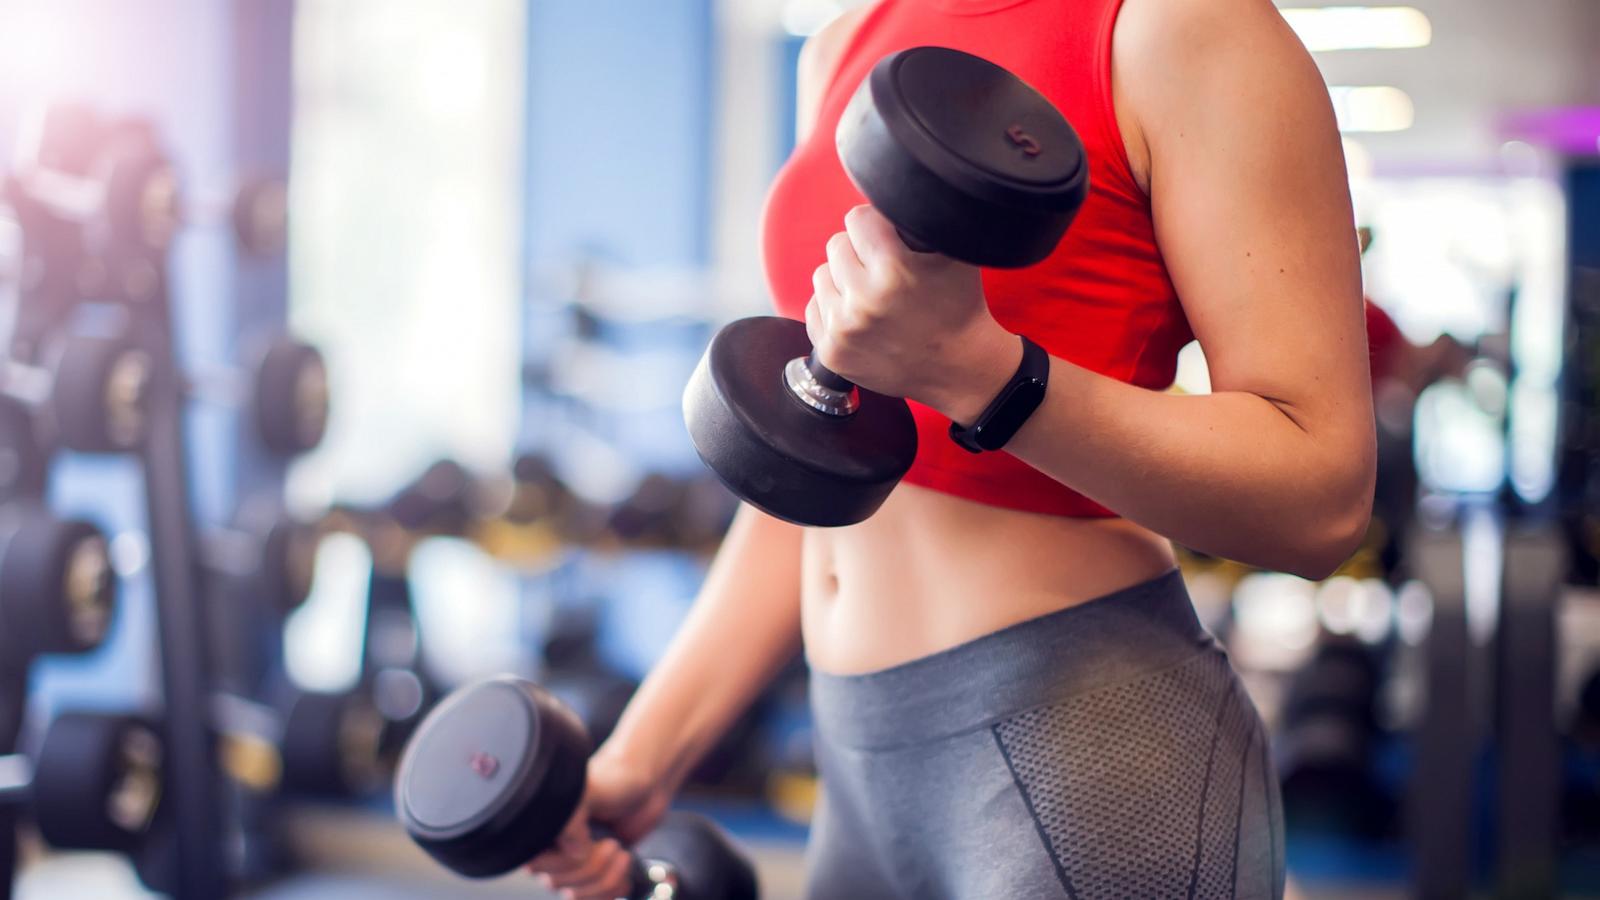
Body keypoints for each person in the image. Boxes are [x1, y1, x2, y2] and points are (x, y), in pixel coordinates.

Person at [532, 0, 1374, 896]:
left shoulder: (1182, 27)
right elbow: (816, 477)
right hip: (858, 758)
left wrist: (986, 373)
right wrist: (644, 752)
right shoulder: (842, 44)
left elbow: (1320, 495)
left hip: (1088, 751)